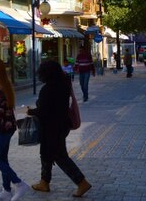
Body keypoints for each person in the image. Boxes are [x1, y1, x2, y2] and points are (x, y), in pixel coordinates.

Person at [27, 61, 91, 198]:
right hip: (61, 126)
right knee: (46, 153)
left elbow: (43, 111)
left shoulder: (48, 89)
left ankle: (81, 182)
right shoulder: (64, 85)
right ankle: (44, 181)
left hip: (51, 128)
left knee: (59, 156)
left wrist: (31, 111)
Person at [0, 58, 29, 201]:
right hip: (9, 127)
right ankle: (6, 190)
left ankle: (19, 183)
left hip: (1, 128)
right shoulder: (5, 84)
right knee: (3, 159)